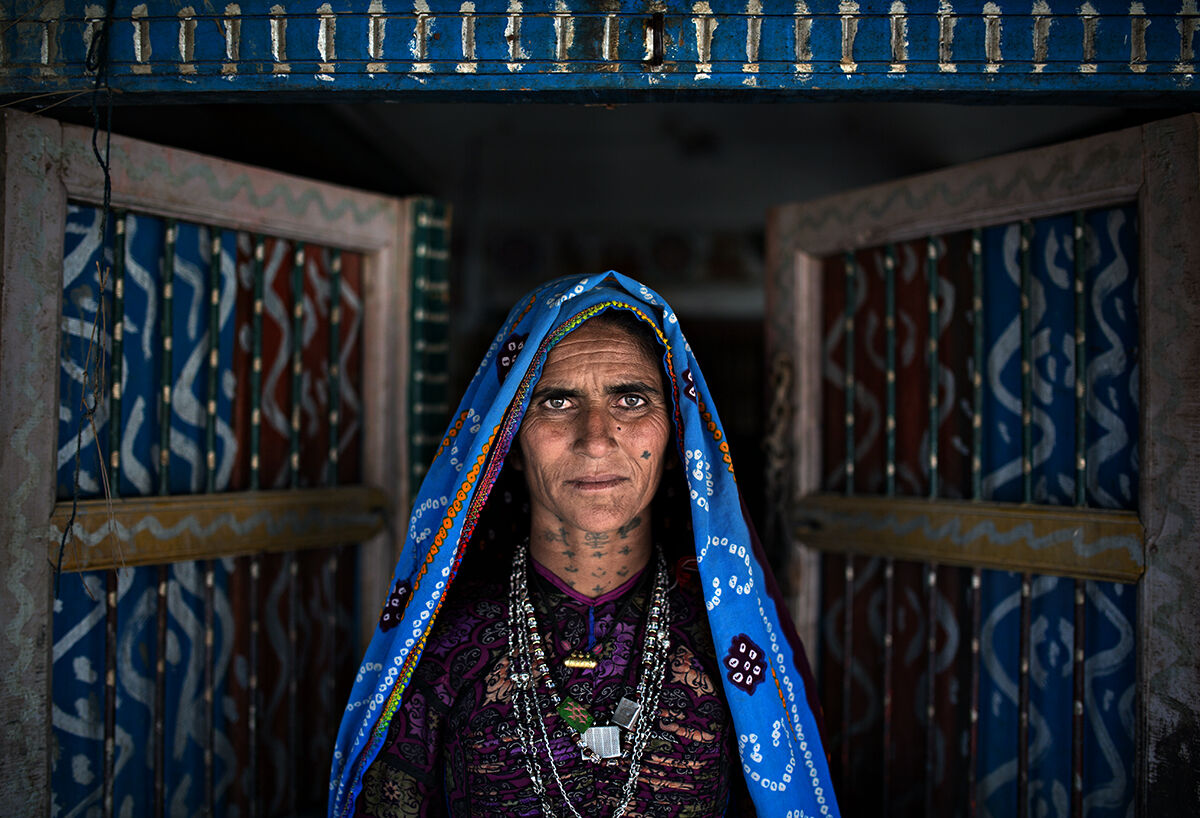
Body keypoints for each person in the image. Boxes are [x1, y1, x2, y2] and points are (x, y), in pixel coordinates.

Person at [330, 273, 838, 818]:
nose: (596, 438)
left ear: (675, 440)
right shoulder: (443, 648)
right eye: (556, 402)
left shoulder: (733, 646)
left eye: (630, 399)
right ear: (511, 440)